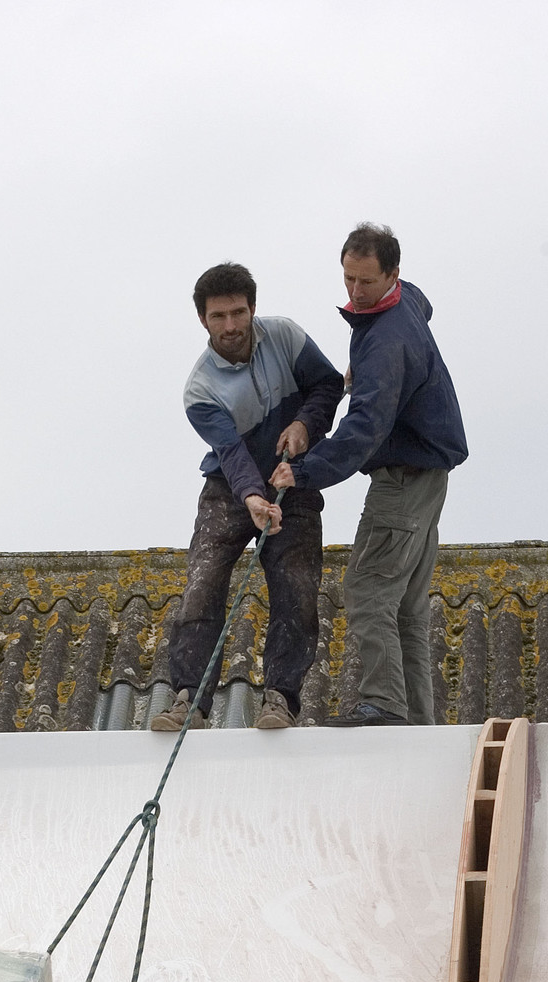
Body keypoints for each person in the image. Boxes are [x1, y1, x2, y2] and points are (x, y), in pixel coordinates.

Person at [271, 223, 467, 727]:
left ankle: (383, 704)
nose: (355, 294)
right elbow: (423, 303)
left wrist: (304, 472)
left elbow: (363, 431)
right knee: (405, 608)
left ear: (392, 274)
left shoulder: (385, 345)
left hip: (403, 479)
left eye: (366, 282)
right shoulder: (404, 304)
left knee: (366, 590)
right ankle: (418, 722)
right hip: (430, 476)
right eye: (348, 280)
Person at [155, 263, 344, 735]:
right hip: (229, 487)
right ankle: (190, 701)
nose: (231, 326)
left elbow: (328, 386)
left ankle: (281, 697)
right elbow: (231, 452)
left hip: (295, 480)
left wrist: (304, 426)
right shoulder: (199, 390)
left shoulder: (286, 337)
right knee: (202, 582)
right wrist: (254, 498)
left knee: (297, 588)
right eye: (219, 316)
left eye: (239, 312)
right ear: (203, 320)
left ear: (253, 309)